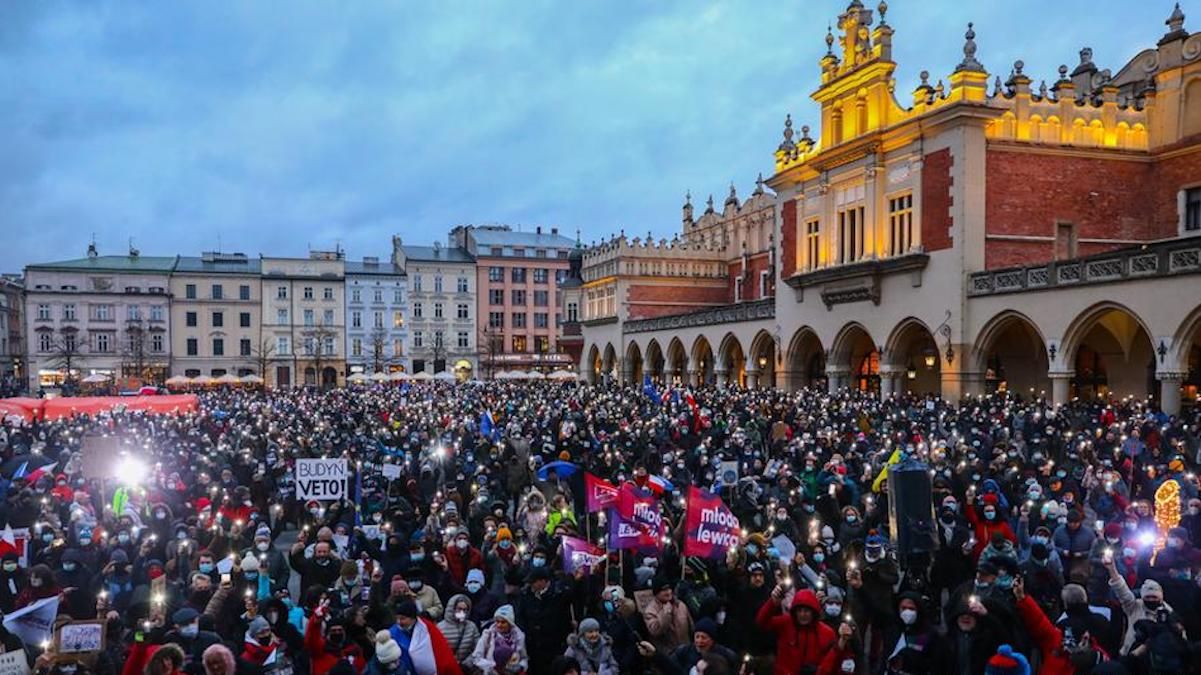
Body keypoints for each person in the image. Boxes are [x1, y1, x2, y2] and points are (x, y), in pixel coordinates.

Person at [755, 584, 841, 675]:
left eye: (806, 611)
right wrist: (772, 603)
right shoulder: (786, 623)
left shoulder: (826, 633)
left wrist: (819, 670)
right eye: (799, 611)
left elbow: (833, 660)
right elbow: (761, 622)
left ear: (813, 612)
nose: (802, 615)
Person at [473, 605, 529, 675]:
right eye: (497, 621)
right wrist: (491, 666)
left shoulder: (519, 637)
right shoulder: (488, 635)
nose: (499, 625)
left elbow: (524, 658)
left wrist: (520, 667)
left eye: (503, 622)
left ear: (510, 623)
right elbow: (476, 658)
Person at [642, 577, 693, 654]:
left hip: (686, 649)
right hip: (669, 654)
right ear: (657, 593)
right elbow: (656, 631)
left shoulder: (680, 605)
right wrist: (666, 613)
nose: (668, 592)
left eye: (669, 589)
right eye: (664, 590)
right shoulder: (650, 611)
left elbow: (691, 626)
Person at [437, 594, 482, 671]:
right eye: (459, 609)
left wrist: (467, 664)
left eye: (465, 610)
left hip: (466, 669)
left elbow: (478, 649)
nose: (462, 612)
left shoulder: (471, 626)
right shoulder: (439, 628)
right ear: (452, 608)